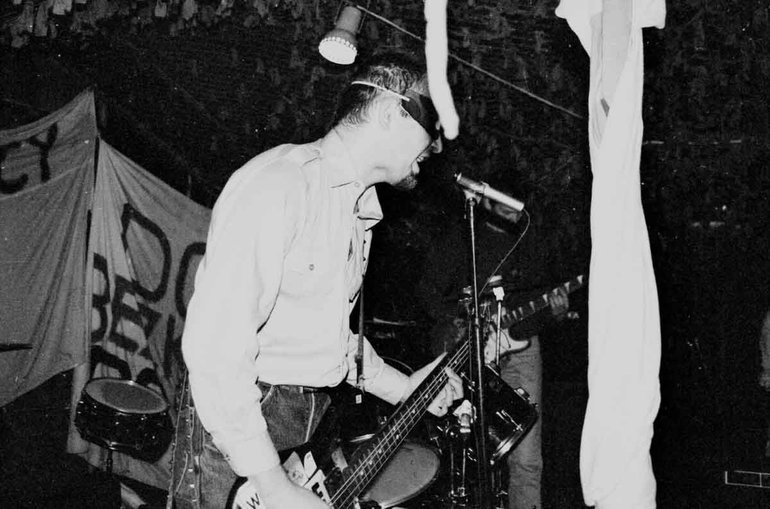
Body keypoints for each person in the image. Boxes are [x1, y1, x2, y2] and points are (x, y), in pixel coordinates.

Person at [177, 52, 463, 509]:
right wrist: (273, 487)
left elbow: (326, 339)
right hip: (247, 423)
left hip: (305, 420)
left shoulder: (356, 210)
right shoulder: (282, 183)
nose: (437, 147)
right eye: (433, 124)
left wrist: (406, 390)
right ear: (391, 110)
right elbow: (215, 349)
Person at [418, 194, 570, 509]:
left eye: (517, 206)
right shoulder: (463, 237)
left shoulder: (530, 241)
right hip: (469, 351)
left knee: (527, 457)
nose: (513, 213)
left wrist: (555, 313)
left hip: (521, 349)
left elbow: (539, 301)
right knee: (467, 453)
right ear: (487, 202)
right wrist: (458, 319)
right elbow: (428, 292)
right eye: (504, 205)